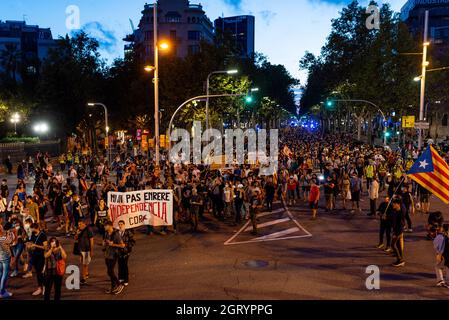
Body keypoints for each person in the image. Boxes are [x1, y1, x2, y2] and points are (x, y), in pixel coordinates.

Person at [103, 221, 125, 295]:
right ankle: (113, 287)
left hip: (113, 255)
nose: (104, 227)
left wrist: (113, 244)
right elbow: (106, 242)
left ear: (110, 226)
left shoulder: (116, 234)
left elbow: (122, 245)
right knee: (109, 272)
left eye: (105, 226)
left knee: (110, 271)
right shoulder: (106, 233)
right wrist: (104, 243)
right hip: (107, 255)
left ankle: (119, 284)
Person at [28, 223, 48, 296]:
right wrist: (29, 245)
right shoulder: (33, 234)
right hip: (34, 256)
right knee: (38, 273)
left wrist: (35, 245)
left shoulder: (43, 235)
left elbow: (45, 247)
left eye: (32, 228)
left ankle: (43, 287)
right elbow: (31, 242)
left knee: (40, 273)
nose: (31, 230)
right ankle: (40, 287)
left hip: (41, 256)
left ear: (35, 228)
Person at [75, 220, 94, 285]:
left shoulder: (88, 229)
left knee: (84, 264)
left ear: (84, 224)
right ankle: (86, 273)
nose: (79, 226)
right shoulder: (79, 230)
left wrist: (91, 250)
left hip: (86, 249)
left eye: (80, 224)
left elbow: (91, 240)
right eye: (78, 224)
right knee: (84, 263)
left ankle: (83, 278)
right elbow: (75, 239)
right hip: (81, 249)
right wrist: (77, 234)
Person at [118, 220, 135, 287]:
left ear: (124, 225)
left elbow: (133, 242)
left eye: (121, 224)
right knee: (120, 264)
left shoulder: (128, 232)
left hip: (126, 252)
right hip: (119, 252)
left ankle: (126, 279)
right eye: (119, 224)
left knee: (124, 265)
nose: (120, 225)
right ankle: (120, 278)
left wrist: (127, 246)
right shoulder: (117, 233)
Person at [0, 223, 15, 298]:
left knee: (0, 273)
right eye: (1, 228)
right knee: (4, 274)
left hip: (0, 257)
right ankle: (2, 292)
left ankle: (1, 290)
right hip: (5, 258)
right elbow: (11, 241)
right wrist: (10, 234)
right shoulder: (3, 238)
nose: (3, 229)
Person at [391, 198, 406, 267]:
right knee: (398, 245)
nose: (393, 204)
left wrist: (396, 234)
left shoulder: (400, 213)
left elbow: (401, 225)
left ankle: (400, 259)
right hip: (396, 231)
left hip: (398, 231)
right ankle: (400, 259)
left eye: (394, 204)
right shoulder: (395, 211)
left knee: (392, 245)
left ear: (398, 205)